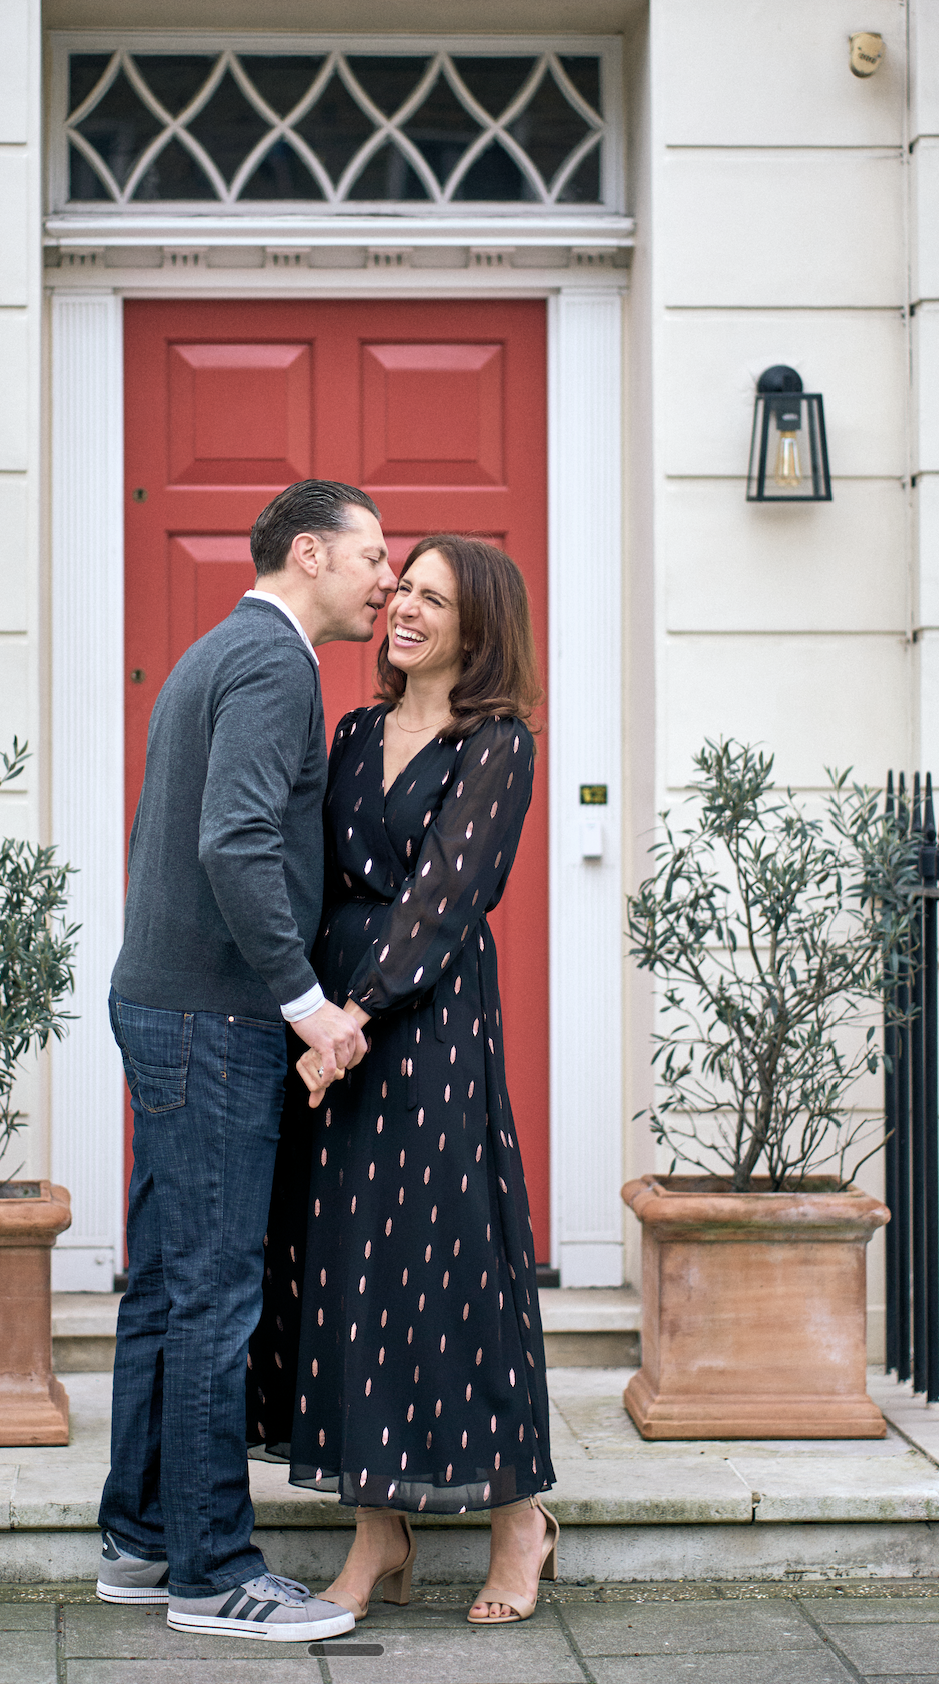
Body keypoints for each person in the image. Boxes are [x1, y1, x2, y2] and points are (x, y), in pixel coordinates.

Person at [98, 479, 396, 1643]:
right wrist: (307, 1003)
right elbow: (231, 840)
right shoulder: (274, 666)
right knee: (214, 1293)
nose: (386, 578)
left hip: (165, 1004)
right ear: (310, 552)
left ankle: (142, 1537)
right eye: (372, 556)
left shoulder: (217, 649)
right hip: (213, 1020)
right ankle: (213, 1571)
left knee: (170, 1286)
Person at [249, 534, 558, 1628]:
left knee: (452, 1256)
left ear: (478, 625)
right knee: (341, 1262)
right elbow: (306, 872)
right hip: (332, 1017)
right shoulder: (353, 728)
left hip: (416, 1023)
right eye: (404, 591)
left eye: (431, 596)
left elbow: (446, 894)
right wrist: (304, 1008)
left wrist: (356, 1019)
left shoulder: (499, 743)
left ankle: (517, 1513)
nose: (405, 609)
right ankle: (377, 1532)